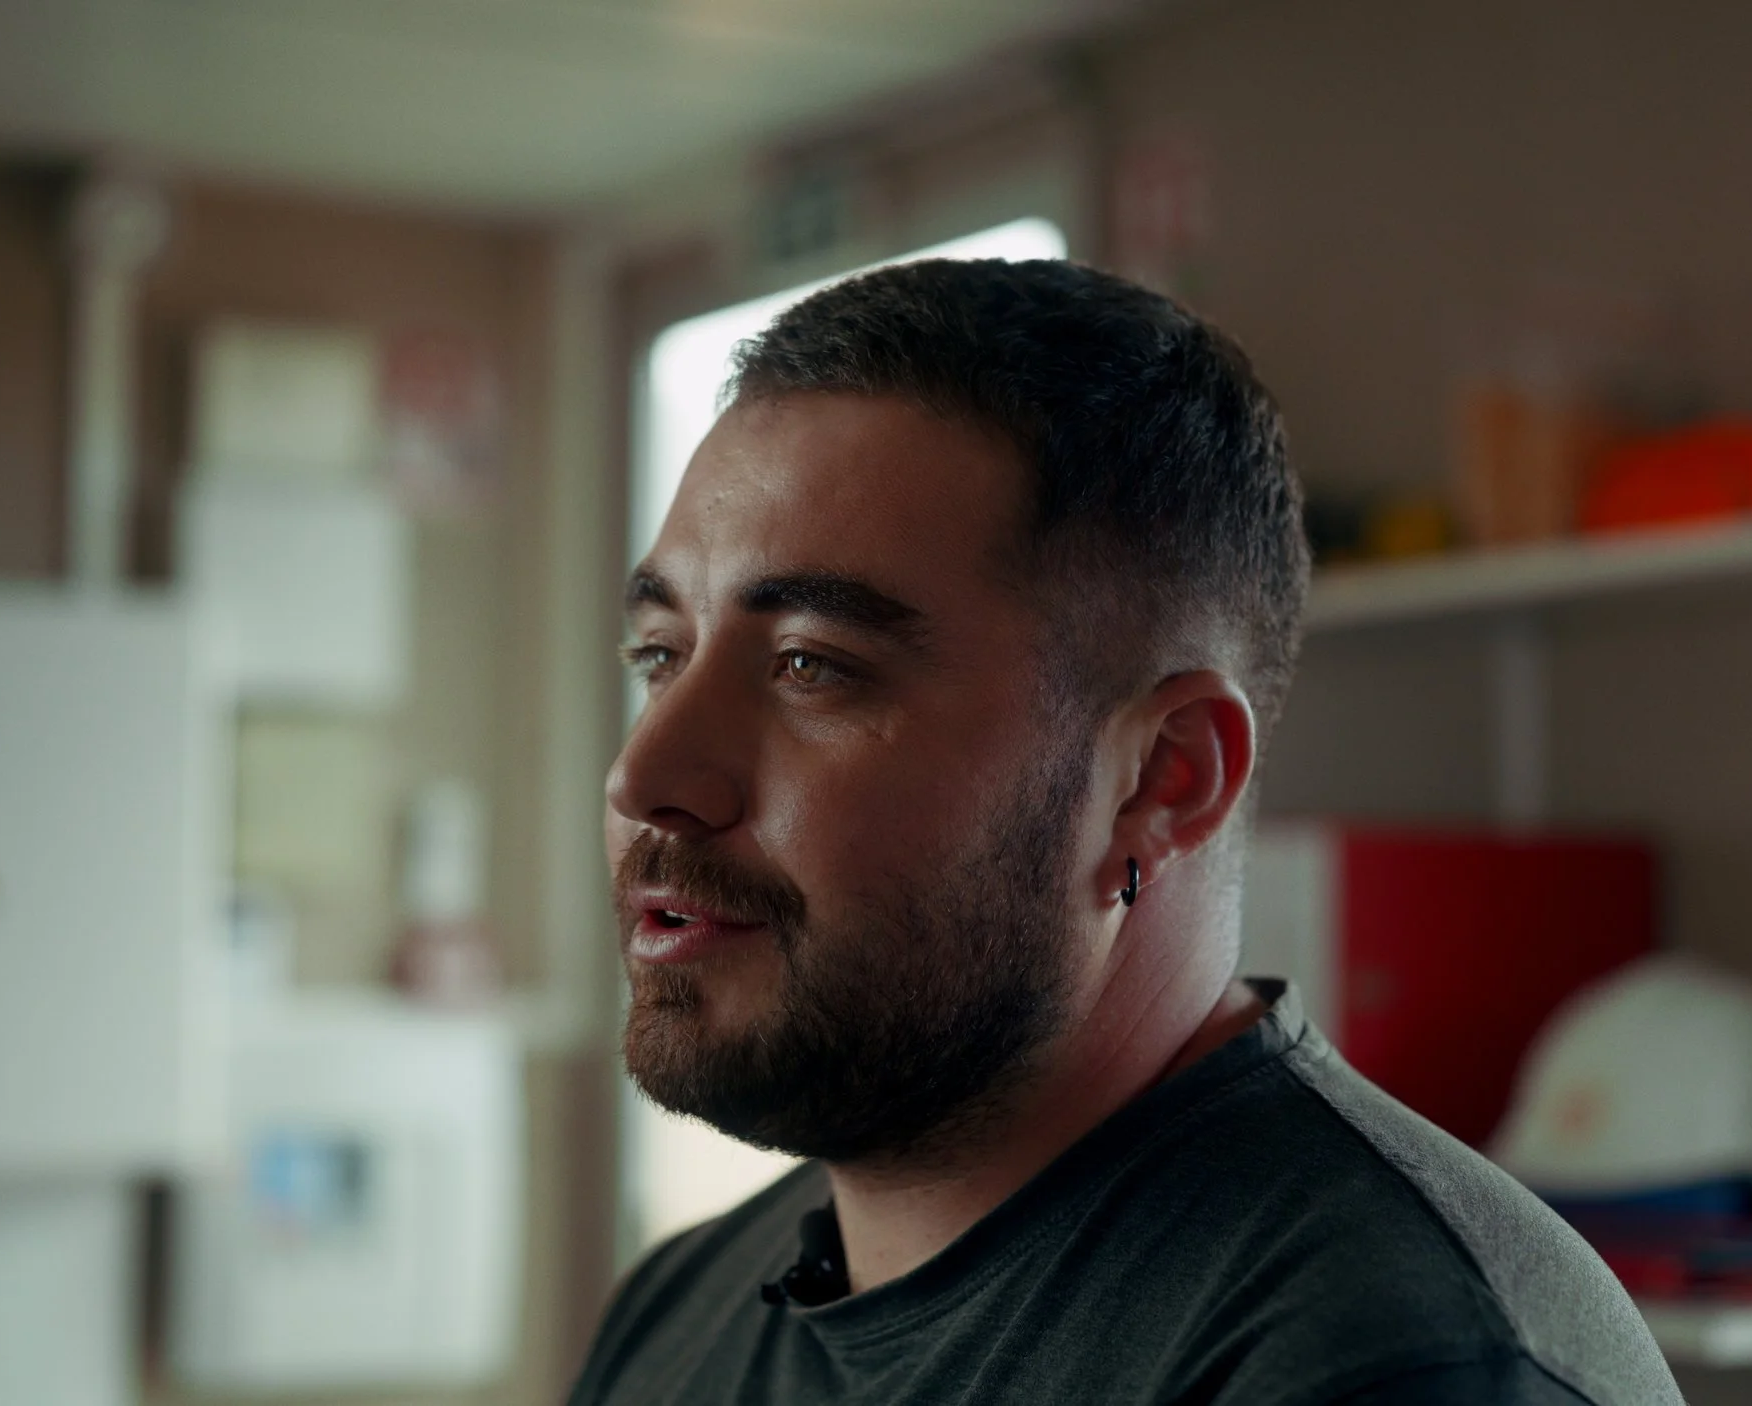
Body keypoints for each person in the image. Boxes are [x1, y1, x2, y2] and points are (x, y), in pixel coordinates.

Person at [568, 259, 1683, 1406]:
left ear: (1163, 778)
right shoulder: (678, 1315)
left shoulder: (1393, 1361)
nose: (643, 773)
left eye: (812, 666)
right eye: (660, 655)